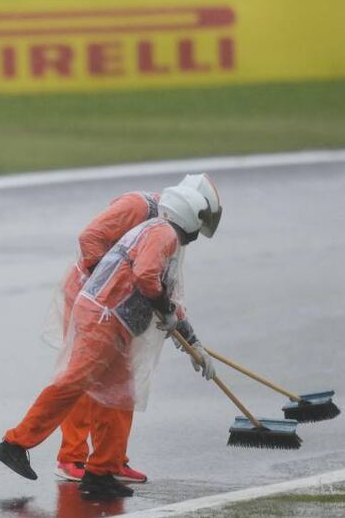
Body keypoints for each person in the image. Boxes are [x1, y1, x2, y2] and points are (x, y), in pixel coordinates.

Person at [0, 185, 220, 500]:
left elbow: (161, 287)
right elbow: (146, 275)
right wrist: (167, 310)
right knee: (73, 384)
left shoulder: (159, 230)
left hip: (111, 320)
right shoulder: (163, 233)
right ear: (191, 216)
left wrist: (195, 345)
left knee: (119, 394)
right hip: (103, 319)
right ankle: (15, 443)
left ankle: (101, 471)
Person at [50, 174, 222, 485]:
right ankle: (71, 457)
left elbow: (168, 289)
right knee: (83, 375)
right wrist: (106, 289)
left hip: (118, 308)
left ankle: (111, 459)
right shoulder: (138, 207)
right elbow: (89, 238)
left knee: (121, 384)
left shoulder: (173, 229)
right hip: (90, 298)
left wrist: (194, 344)